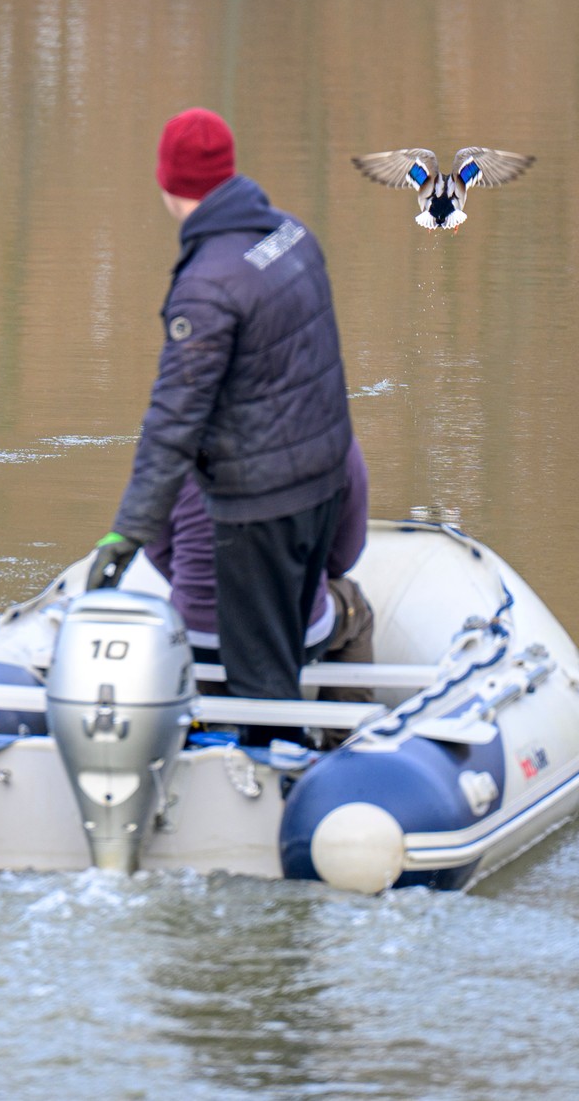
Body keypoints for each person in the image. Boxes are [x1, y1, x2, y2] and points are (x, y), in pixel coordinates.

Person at [86, 109, 353, 729]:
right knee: (282, 657)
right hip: (322, 483)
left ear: (167, 181)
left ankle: (273, 772)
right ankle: (292, 751)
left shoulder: (207, 284)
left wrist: (127, 533)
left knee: (259, 681)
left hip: (260, 509)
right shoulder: (291, 235)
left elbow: (173, 419)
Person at [128, 436, 371, 694]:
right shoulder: (331, 433)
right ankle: (346, 720)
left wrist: (201, 588)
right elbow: (342, 557)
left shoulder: (169, 434)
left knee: (207, 635)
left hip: (197, 636)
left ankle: (213, 708)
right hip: (297, 634)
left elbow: (156, 546)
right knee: (354, 606)